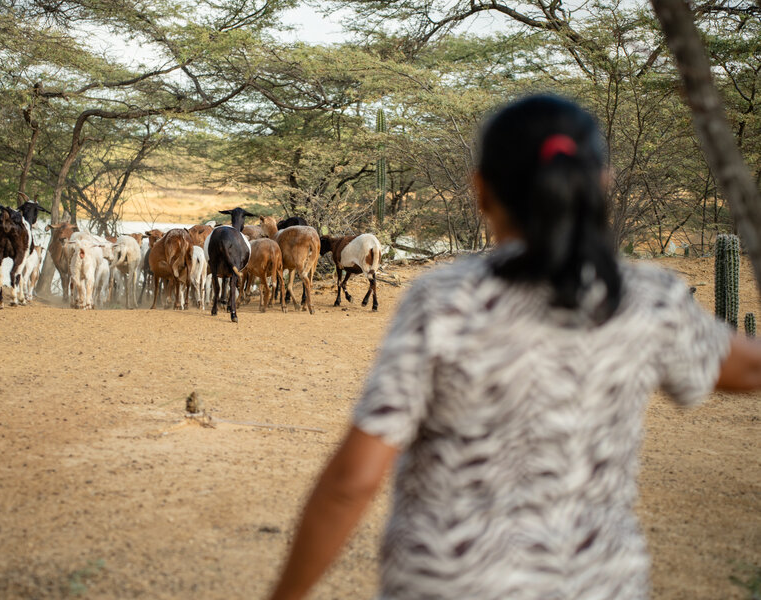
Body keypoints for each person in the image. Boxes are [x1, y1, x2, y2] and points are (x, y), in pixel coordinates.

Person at [268, 95, 761, 600]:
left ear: (481, 190)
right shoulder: (645, 299)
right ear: (603, 185)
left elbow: (354, 480)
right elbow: (746, 369)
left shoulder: (444, 301)